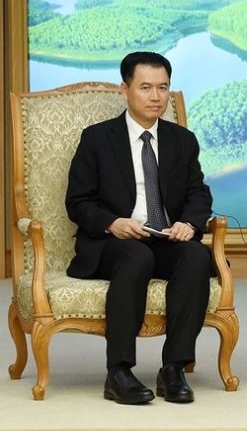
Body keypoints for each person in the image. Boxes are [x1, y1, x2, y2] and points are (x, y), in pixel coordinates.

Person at [65, 51, 214, 405]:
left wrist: (189, 224)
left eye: (163, 87)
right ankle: (118, 371)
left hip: (162, 237)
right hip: (113, 242)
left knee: (195, 257)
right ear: (125, 89)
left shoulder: (181, 140)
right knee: (136, 257)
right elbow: (78, 202)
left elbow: (198, 194)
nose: (156, 97)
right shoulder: (98, 139)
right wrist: (112, 223)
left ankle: (174, 368)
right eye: (145, 87)